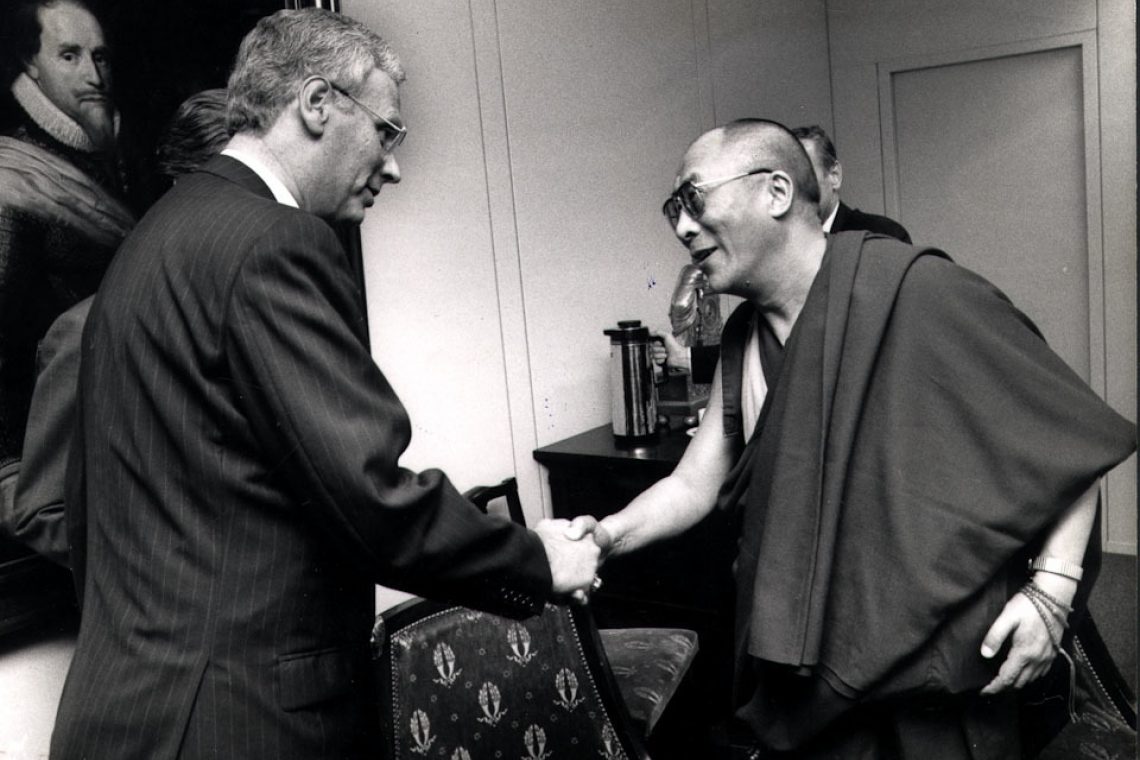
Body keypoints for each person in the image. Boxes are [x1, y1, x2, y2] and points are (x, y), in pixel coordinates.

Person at [49, 11, 601, 759]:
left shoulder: (153, 240)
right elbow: (371, 498)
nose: (394, 164)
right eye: (388, 132)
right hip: (238, 722)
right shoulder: (276, 242)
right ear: (317, 104)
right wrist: (541, 561)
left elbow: (89, 503)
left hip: (125, 716)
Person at [574, 119, 1135, 758]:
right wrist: (608, 535)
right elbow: (692, 484)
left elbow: (1064, 434)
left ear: (777, 190)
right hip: (803, 668)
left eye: (694, 199)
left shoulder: (913, 289)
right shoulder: (742, 339)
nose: (682, 226)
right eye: (673, 208)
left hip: (935, 666)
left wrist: (1051, 597)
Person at [0, 88, 229, 565]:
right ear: (186, 194)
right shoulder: (87, 329)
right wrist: (173, 560)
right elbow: (40, 513)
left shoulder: (263, 310)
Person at [0, 0, 132, 510]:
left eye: (100, 57)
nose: (93, 74)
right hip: (54, 450)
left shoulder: (121, 157)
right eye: (70, 56)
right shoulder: (14, 176)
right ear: (31, 64)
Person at [654, 123, 911, 381]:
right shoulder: (747, 318)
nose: (681, 228)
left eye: (695, 197)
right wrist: (684, 357)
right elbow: (750, 356)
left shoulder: (886, 248)